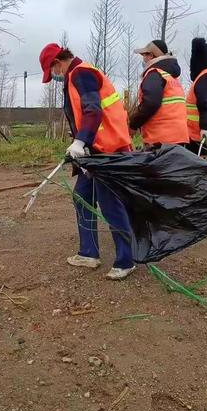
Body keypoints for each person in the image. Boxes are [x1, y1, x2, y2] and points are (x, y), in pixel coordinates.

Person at [39, 43, 136, 280]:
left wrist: (80, 141)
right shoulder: (76, 75)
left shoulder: (82, 74)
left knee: (110, 204)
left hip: (107, 150)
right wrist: (80, 145)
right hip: (93, 150)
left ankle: (126, 260)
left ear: (57, 62)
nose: (55, 77)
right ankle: (88, 253)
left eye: (53, 72)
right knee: (82, 197)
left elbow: (93, 111)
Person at [129, 40, 188, 148]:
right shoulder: (171, 77)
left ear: (151, 55)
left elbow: (150, 103)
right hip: (179, 137)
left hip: (161, 139)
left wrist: (133, 125)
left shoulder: (154, 74)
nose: (143, 59)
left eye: (144, 55)